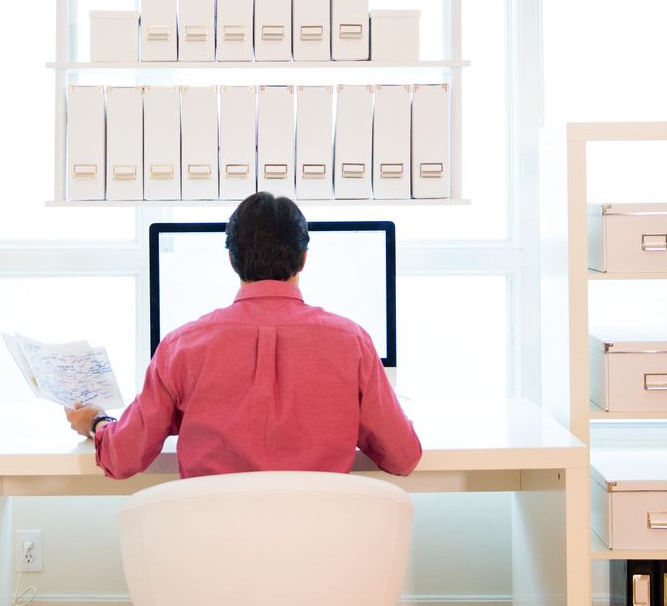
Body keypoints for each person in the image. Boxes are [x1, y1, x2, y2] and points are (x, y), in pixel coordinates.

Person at [65, 192, 422, 479]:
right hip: (320, 559)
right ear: (304, 258)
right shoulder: (352, 343)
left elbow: (124, 456)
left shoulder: (180, 347)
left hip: (215, 560)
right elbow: (403, 456)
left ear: (232, 260)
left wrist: (98, 422)